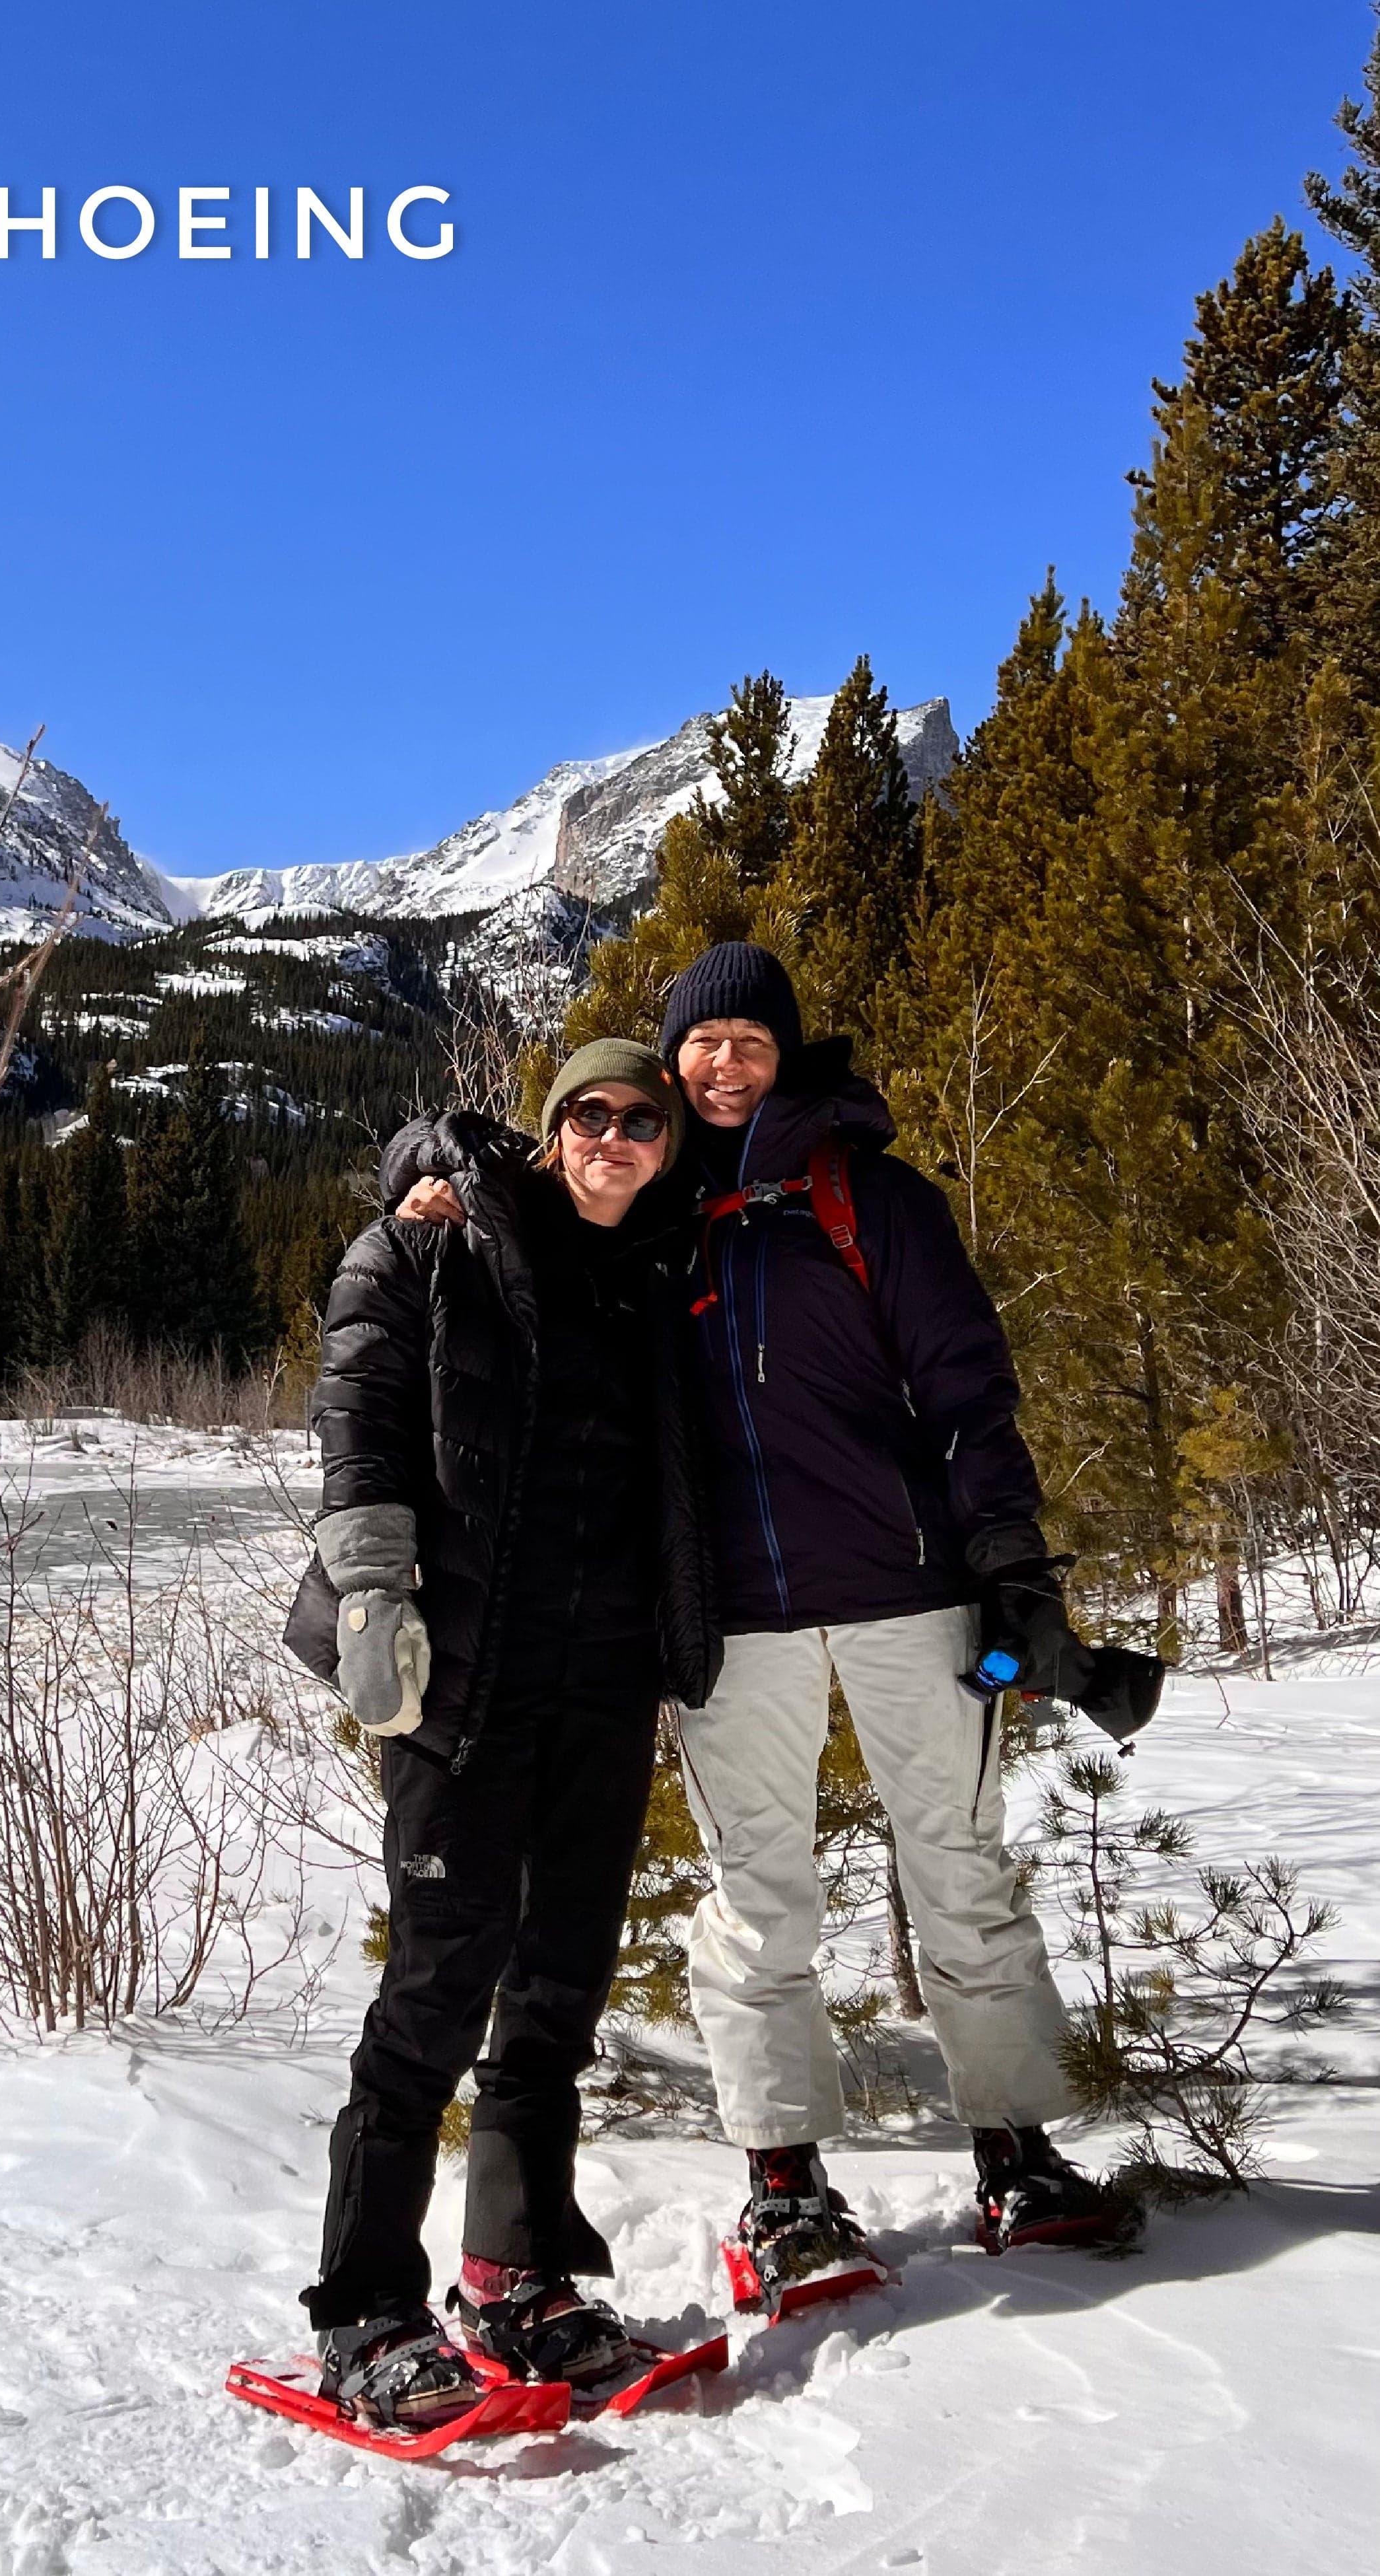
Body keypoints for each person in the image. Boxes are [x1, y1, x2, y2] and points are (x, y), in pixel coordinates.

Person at [392, 944, 1123, 2306]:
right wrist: (423, 1165)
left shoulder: (871, 1198)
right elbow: (512, 1181)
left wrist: (1010, 1561)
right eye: (701, 1042)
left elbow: (967, 1388)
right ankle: (782, 2179)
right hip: (730, 1613)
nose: (723, 1064)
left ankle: (1016, 2151)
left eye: (749, 1040)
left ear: (786, 1054)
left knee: (961, 1872)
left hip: (909, 1591)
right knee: (757, 1897)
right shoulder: (651, 1201)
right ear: (669, 1062)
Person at [284, 1040, 720, 2429]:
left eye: (639, 1119)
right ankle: (364, 2309)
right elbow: (357, 1416)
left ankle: (517, 2277)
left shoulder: (656, 1275)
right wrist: (370, 1589)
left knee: (554, 1993)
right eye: (587, 1113)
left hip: (603, 1683)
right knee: (435, 1990)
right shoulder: (429, 1247)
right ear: (548, 1130)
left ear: (664, 1146)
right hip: (457, 1680)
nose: (611, 1136)